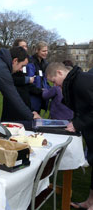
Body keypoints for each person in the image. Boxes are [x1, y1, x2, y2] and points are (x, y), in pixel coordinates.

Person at [45, 62, 93, 210]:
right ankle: (90, 202)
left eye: (54, 82)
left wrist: (78, 124)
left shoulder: (81, 82)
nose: (55, 86)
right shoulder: (75, 82)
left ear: (60, 73)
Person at [1, 39, 42, 122]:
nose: (25, 48)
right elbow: (11, 81)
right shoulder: (6, 68)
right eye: (22, 46)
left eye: (26, 46)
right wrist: (26, 80)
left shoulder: (25, 62)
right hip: (13, 109)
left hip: (23, 104)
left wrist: (42, 91)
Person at [27, 41, 50, 113]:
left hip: (40, 98)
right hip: (32, 100)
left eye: (47, 51)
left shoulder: (44, 64)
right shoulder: (30, 63)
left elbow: (44, 81)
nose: (46, 53)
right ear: (37, 50)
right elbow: (29, 83)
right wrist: (41, 91)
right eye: (43, 51)